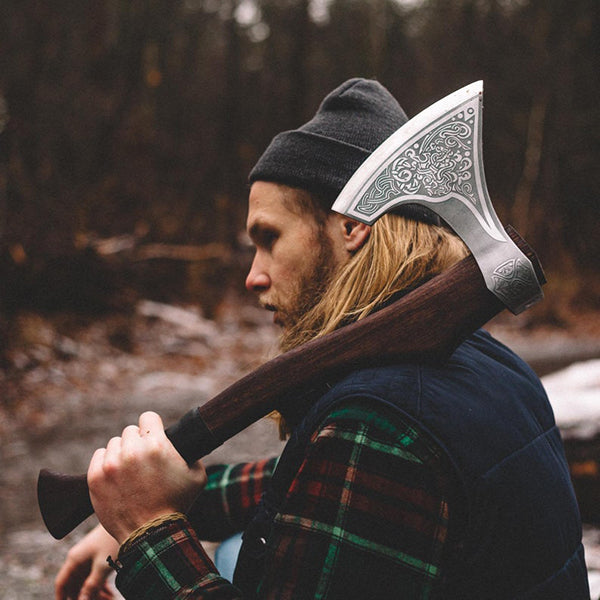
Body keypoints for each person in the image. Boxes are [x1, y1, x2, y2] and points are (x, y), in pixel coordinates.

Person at [55, 78, 590, 600]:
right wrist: (155, 502)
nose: (253, 276)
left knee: (232, 555)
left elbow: (356, 459)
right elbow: (303, 480)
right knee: (238, 547)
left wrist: (150, 535)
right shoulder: (490, 363)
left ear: (353, 224)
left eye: (269, 239)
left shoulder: (376, 424)